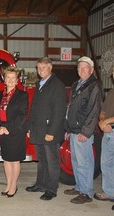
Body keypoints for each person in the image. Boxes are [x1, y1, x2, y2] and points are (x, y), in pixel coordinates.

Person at [25, 57, 66, 200]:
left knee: (52, 161)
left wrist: (52, 132)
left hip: (49, 131)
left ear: (50, 67)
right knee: (41, 160)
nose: (40, 70)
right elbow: (34, 107)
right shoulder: (40, 84)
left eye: (43, 67)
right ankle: (40, 184)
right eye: (38, 68)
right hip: (38, 129)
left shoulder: (57, 86)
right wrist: (30, 127)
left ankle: (51, 189)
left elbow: (59, 112)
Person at [64, 56, 103, 204]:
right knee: (75, 161)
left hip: (82, 131)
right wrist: (67, 128)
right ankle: (79, 186)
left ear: (91, 70)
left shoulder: (94, 86)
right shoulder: (76, 84)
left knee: (85, 162)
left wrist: (86, 132)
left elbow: (94, 110)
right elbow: (70, 108)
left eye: (85, 67)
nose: (81, 70)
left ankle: (86, 193)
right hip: (73, 129)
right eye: (79, 67)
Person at [0, 66, 28, 198]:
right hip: (2, 131)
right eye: (8, 77)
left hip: (15, 131)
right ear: (4, 80)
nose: (11, 80)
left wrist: (8, 128)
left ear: (17, 80)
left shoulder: (22, 95)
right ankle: (8, 184)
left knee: (14, 160)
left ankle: (14, 185)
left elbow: (22, 116)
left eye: (13, 78)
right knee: (6, 159)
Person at [93, 70, 114, 203]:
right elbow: (103, 110)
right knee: (106, 164)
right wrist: (102, 121)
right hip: (108, 132)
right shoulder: (112, 91)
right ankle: (109, 192)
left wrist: (107, 121)